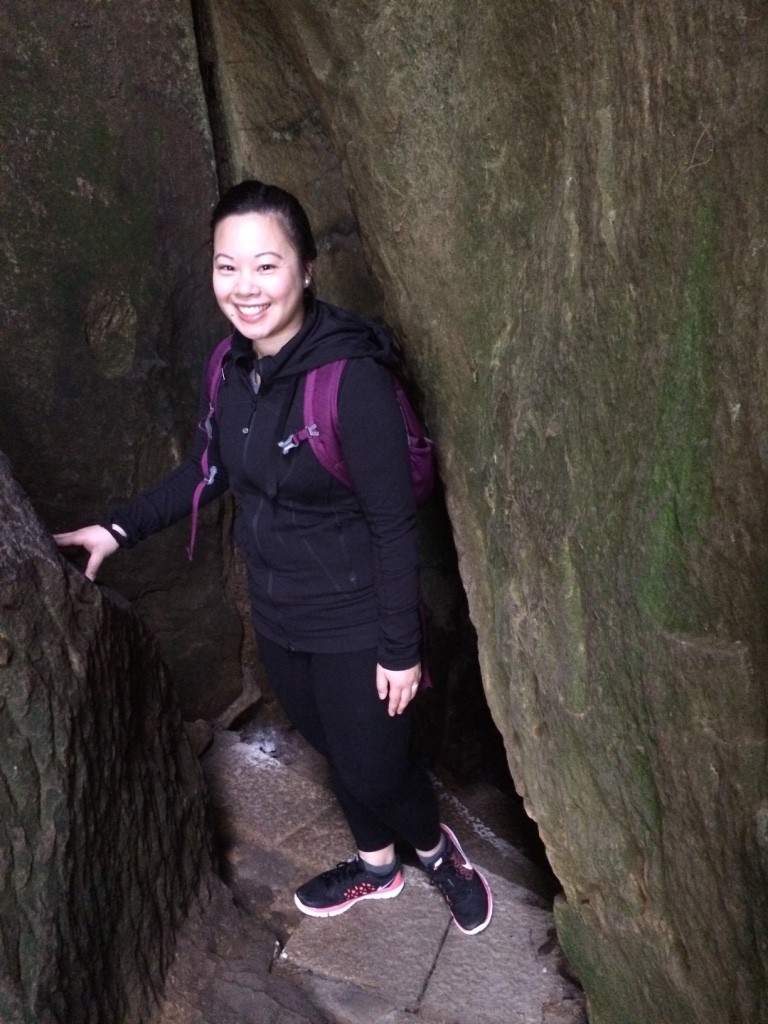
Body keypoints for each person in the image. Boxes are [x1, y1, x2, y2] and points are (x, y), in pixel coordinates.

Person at [54, 180, 492, 935]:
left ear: (306, 269)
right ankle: (379, 867)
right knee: (332, 747)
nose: (246, 288)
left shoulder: (351, 381)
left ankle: (435, 848)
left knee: (376, 765)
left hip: (359, 620)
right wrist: (116, 531)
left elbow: (395, 527)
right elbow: (206, 471)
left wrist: (399, 649)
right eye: (228, 267)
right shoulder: (230, 368)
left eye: (266, 266)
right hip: (280, 612)